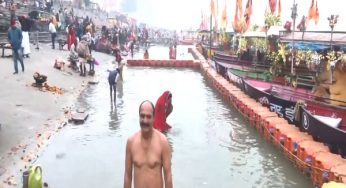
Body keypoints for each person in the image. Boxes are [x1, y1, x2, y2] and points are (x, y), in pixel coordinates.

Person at [124, 101, 172, 188]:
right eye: (142, 116)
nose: (145, 120)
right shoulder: (131, 142)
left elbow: (168, 176)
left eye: (148, 116)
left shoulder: (162, 142)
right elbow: (127, 176)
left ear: (154, 118)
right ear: (139, 117)